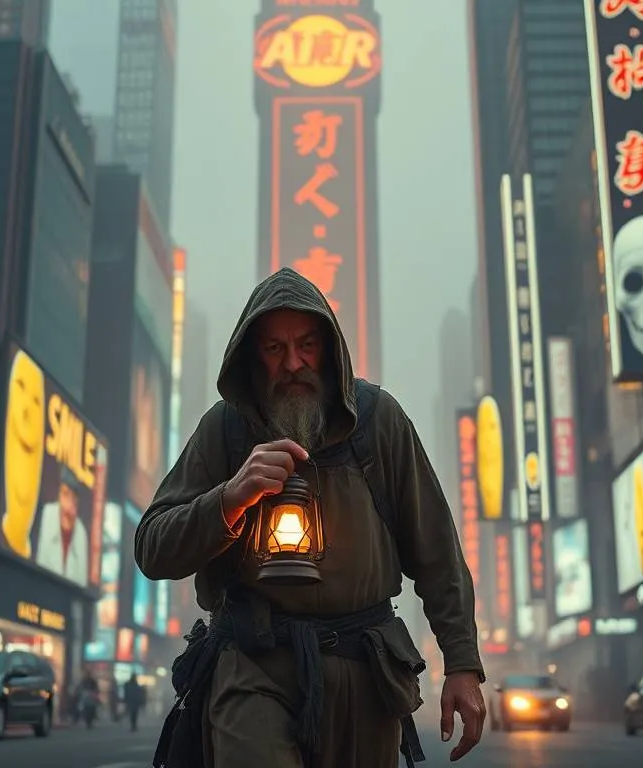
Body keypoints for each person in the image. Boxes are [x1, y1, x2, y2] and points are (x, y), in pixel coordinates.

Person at [136, 268, 485, 767]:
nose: (293, 363)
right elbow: (152, 547)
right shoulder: (225, 430)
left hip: (367, 672)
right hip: (254, 666)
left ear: (330, 349)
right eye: (274, 349)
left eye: (306, 345)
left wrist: (463, 665)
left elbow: (436, 554)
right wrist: (230, 497)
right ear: (252, 357)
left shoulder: (378, 423)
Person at [34, 471, 91, 586]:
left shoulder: (81, 533)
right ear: (59, 496)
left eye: (74, 500)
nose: (69, 506)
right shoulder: (47, 515)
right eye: (65, 495)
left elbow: (81, 585)